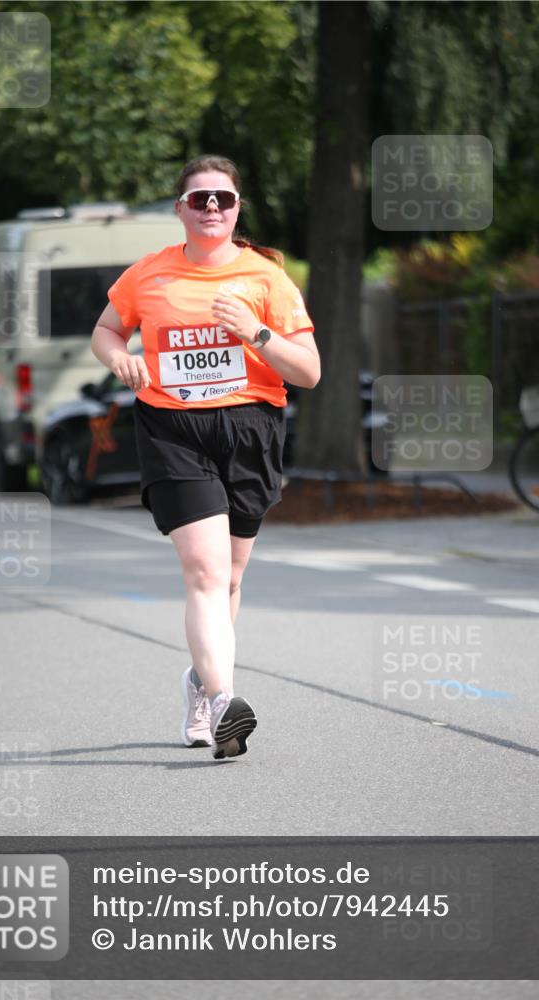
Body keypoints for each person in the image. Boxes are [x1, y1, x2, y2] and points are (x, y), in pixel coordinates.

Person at [91, 154, 320, 760]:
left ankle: (198, 682)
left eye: (222, 198)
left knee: (231, 578)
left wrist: (256, 333)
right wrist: (120, 359)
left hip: (250, 428)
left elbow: (311, 372)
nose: (211, 207)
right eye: (199, 199)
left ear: (238, 207)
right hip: (173, 427)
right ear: (180, 210)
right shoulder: (148, 275)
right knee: (204, 573)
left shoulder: (266, 279)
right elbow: (107, 330)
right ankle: (224, 703)